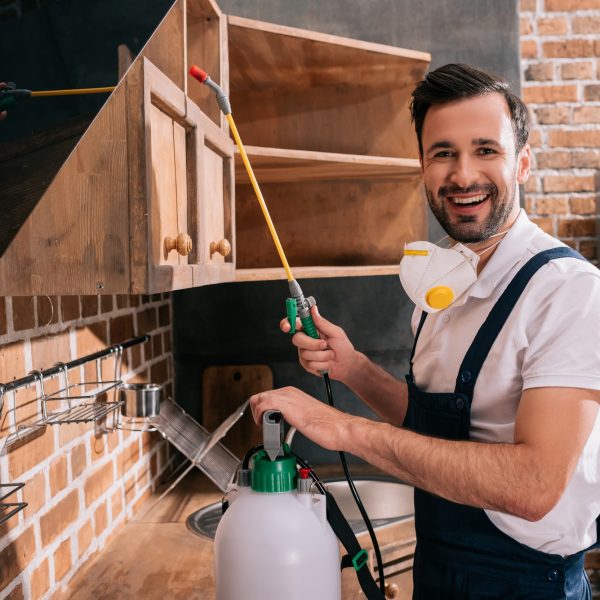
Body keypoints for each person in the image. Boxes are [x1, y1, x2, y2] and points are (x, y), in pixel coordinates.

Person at [250, 63, 600, 599]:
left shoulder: (568, 291)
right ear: (422, 166)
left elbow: (536, 486)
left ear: (524, 163)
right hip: (438, 570)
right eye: (444, 153)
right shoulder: (439, 285)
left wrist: (342, 429)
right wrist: (355, 369)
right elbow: (437, 426)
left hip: (527, 586)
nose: (462, 175)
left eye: (486, 150)